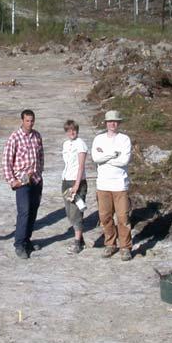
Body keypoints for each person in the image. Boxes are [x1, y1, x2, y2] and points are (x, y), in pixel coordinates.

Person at [2, 109, 44, 259]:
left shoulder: (37, 135)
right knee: (24, 212)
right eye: (27, 120)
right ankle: (19, 244)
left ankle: (27, 240)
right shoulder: (15, 137)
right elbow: (6, 160)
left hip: (36, 180)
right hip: (22, 181)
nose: (30, 123)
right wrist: (12, 180)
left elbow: (41, 155)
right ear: (22, 120)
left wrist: (40, 171)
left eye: (32, 120)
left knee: (33, 211)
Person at [91, 110, 132, 261]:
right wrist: (113, 154)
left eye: (115, 121)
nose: (112, 124)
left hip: (120, 184)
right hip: (103, 184)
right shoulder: (98, 139)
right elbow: (96, 158)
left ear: (119, 123)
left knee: (123, 217)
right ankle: (110, 244)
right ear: (106, 123)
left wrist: (105, 157)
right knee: (105, 217)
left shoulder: (124, 139)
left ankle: (125, 246)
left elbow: (124, 161)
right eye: (110, 121)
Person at [61, 119, 88, 254]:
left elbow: (81, 166)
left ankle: (77, 242)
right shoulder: (66, 144)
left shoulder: (80, 144)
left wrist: (77, 185)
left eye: (74, 129)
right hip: (66, 180)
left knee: (76, 212)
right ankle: (80, 238)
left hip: (77, 182)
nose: (72, 132)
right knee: (69, 212)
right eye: (69, 130)